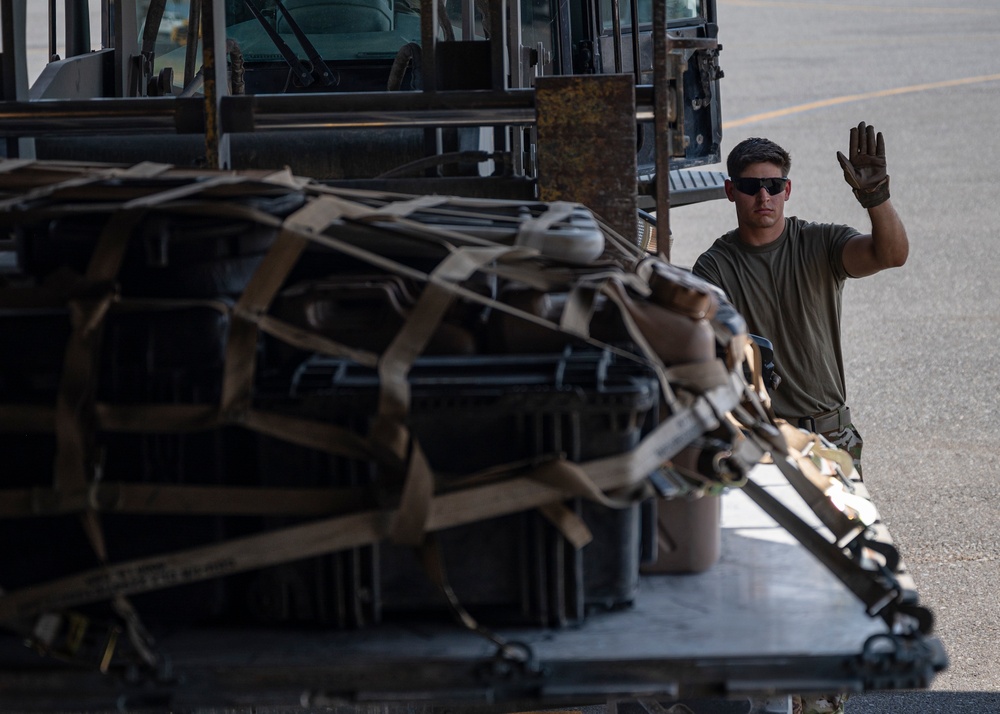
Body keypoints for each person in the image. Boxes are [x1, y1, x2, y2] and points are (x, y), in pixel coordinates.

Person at [692, 122, 908, 478]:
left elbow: (892, 254)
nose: (764, 198)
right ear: (731, 191)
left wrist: (876, 199)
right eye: (750, 187)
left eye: (773, 186)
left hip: (830, 436)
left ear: (787, 190)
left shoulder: (820, 243)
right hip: (761, 440)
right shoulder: (715, 267)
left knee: (846, 533)